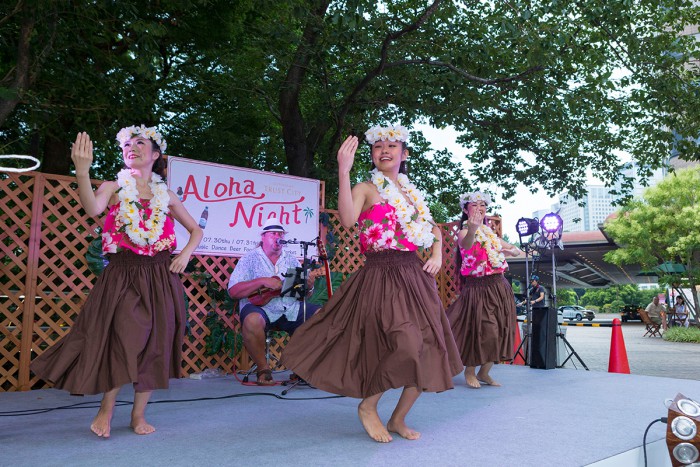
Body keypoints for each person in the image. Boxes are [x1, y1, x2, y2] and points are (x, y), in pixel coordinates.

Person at [281, 124, 463, 443]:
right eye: (379, 147)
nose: (385, 151)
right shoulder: (367, 188)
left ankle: (398, 418)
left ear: (404, 154)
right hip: (381, 275)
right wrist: (343, 169)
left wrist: (436, 253)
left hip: (415, 276)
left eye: (392, 146)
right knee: (405, 343)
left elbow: (434, 229)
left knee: (429, 349)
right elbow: (348, 219)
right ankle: (369, 405)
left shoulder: (411, 194)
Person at [31, 125, 203, 438]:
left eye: (139, 143)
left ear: (155, 154)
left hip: (161, 276)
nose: (131, 147)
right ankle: (105, 411)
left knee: (154, 346)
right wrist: (82, 172)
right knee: (125, 340)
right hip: (123, 274)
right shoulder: (113, 187)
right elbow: (92, 208)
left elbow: (197, 231)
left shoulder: (167, 195)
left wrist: (185, 255)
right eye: (126, 144)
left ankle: (138, 415)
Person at [227, 219, 320, 385]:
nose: (278, 237)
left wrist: (309, 287)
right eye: (273, 233)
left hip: (289, 308)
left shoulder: (291, 260)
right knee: (252, 320)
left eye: (281, 234)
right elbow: (233, 291)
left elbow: (300, 294)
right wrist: (262, 281)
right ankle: (263, 370)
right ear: (263, 237)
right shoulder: (249, 258)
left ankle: (300, 368)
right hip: (261, 308)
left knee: (320, 315)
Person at [446, 192, 521, 389]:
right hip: (478, 288)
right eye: (475, 204)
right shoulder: (464, 232)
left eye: (483, 205)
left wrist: (511, 250)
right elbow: (466, 244)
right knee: (482, 330)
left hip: (499, 285)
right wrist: (472, 230)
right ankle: (469, 371)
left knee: (501, 330)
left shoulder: (490, 234)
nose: (480, 208)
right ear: (465, 209)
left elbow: (513, 248)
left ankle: (484, 372)